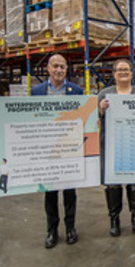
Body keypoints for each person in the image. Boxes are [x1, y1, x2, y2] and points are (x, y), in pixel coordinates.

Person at [31, 54, 83, 249]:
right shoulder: (36, 92)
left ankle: (70, 228)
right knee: (50, 192)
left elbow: (84, 116)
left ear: (66, 69)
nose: (59, 70)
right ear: (48, 69)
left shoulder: (76, 91)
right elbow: (28, 118)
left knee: (70, 192)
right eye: (56, 66)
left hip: (69, 148)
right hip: (47, 150)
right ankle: (52, 231)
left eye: (62, 67)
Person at [98, 59, 135, 236]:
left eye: (126, 69)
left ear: (132, 73)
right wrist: (100, 110)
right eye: (119, 70)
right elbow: (94, 120)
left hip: (134, 145)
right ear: (114, 74)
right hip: (112, 146)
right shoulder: (104, 94)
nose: (123, 72)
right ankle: (114, 219)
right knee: (113, 184)